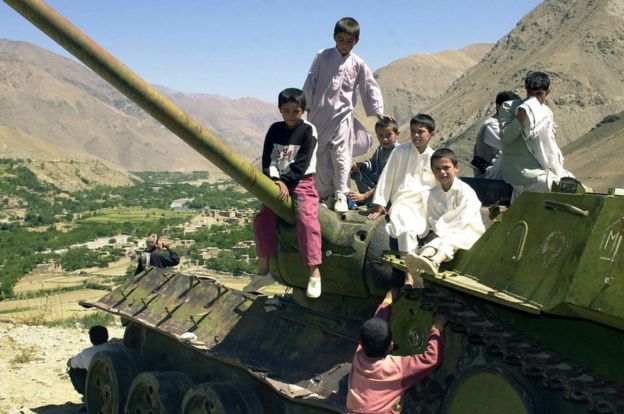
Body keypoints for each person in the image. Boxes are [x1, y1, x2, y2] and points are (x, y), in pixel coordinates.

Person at [303, 17, 392, 213]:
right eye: (340, 39)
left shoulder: (358, 63)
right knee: (321, 155)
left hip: (343, 115)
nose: (344, 45)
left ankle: (341, 194)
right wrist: (305, 105)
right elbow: (311, 81)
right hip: (318, 114)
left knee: (341, 155)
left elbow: (369, 86)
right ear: (334, 37)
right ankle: (326, 195)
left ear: (356, 41)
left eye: (349, 41)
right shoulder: (322, 56)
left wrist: (378, 111)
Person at [243, 88, 323, 299]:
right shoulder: (274, 129)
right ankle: (264, 271)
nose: (290, 115)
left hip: (302, 182)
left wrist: (287, 181)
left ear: (303, 110)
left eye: (295, 111)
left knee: (307, 220)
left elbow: (302, 162)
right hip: (277, 182)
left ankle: (314, 271)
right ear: (280, 110)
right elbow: (267, 158)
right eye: (286, 110)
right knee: (262, 219)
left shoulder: (308, 131)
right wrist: (276, 180)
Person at [346, 289, 447, 414]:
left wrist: (387, 301)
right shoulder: (395, 368)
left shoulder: (359, 354)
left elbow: (374, 326)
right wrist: (437, 326)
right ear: (390, 346)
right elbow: (431, 358)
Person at [368, 114, 437, 287]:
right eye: (413, 131)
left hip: (425, 203)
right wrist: (380, 203)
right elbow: (387, 177)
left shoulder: (434, 157)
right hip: (403, 201)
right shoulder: (400, 151)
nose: (416, 136)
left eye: (420, 132)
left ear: (432, 134)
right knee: (406, 229)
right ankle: (409, 276)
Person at [406, 148, 485, 275]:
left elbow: (465, 218)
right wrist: (440, 231)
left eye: (446, 168)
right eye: (437, 169)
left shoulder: (465, 191)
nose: (442, 172)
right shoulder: (433, 194)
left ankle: (435, 261)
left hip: (469, 230)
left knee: (451, 240)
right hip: (444, 231)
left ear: (456, 167)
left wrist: (445, 230)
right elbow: (433, 217)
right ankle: (422, 258)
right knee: (437, 241)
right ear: (432, 171)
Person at [499, 71, 574, 200]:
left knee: (571, 183)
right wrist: (522, 114)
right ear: (526, 91)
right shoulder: (509, 107)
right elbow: (506, 138)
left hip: (542, 168)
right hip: (520, 169)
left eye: (539, 94)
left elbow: (548, 145)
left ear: (547, 93)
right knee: (552, 185)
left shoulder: (546, 113)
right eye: (530, 94)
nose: (533, 99)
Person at [349, 118, 400, 207]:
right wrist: (362, 165)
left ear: (397, 135)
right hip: (377, 184)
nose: (384, 139)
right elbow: (372, 164)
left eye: (388, 135)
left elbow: (387, 181)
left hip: (389, 189)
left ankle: (370, 201)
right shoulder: (380, 149)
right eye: (380, 135)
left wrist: (365, 196)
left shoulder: (398, 153)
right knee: (356, 171)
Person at [471, 91, 521, 178]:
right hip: (488, 175)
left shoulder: (507, 124)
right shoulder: (491, 125)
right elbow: (513, 145)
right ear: (498, 107)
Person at [66, 326, 121, 398]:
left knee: (74, 370)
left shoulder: (87, 353)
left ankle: (88, 394)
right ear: (107, 336)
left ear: (91, 339)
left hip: (100, 383)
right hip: (119, 379)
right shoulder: (116, 346)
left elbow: (70, 363)